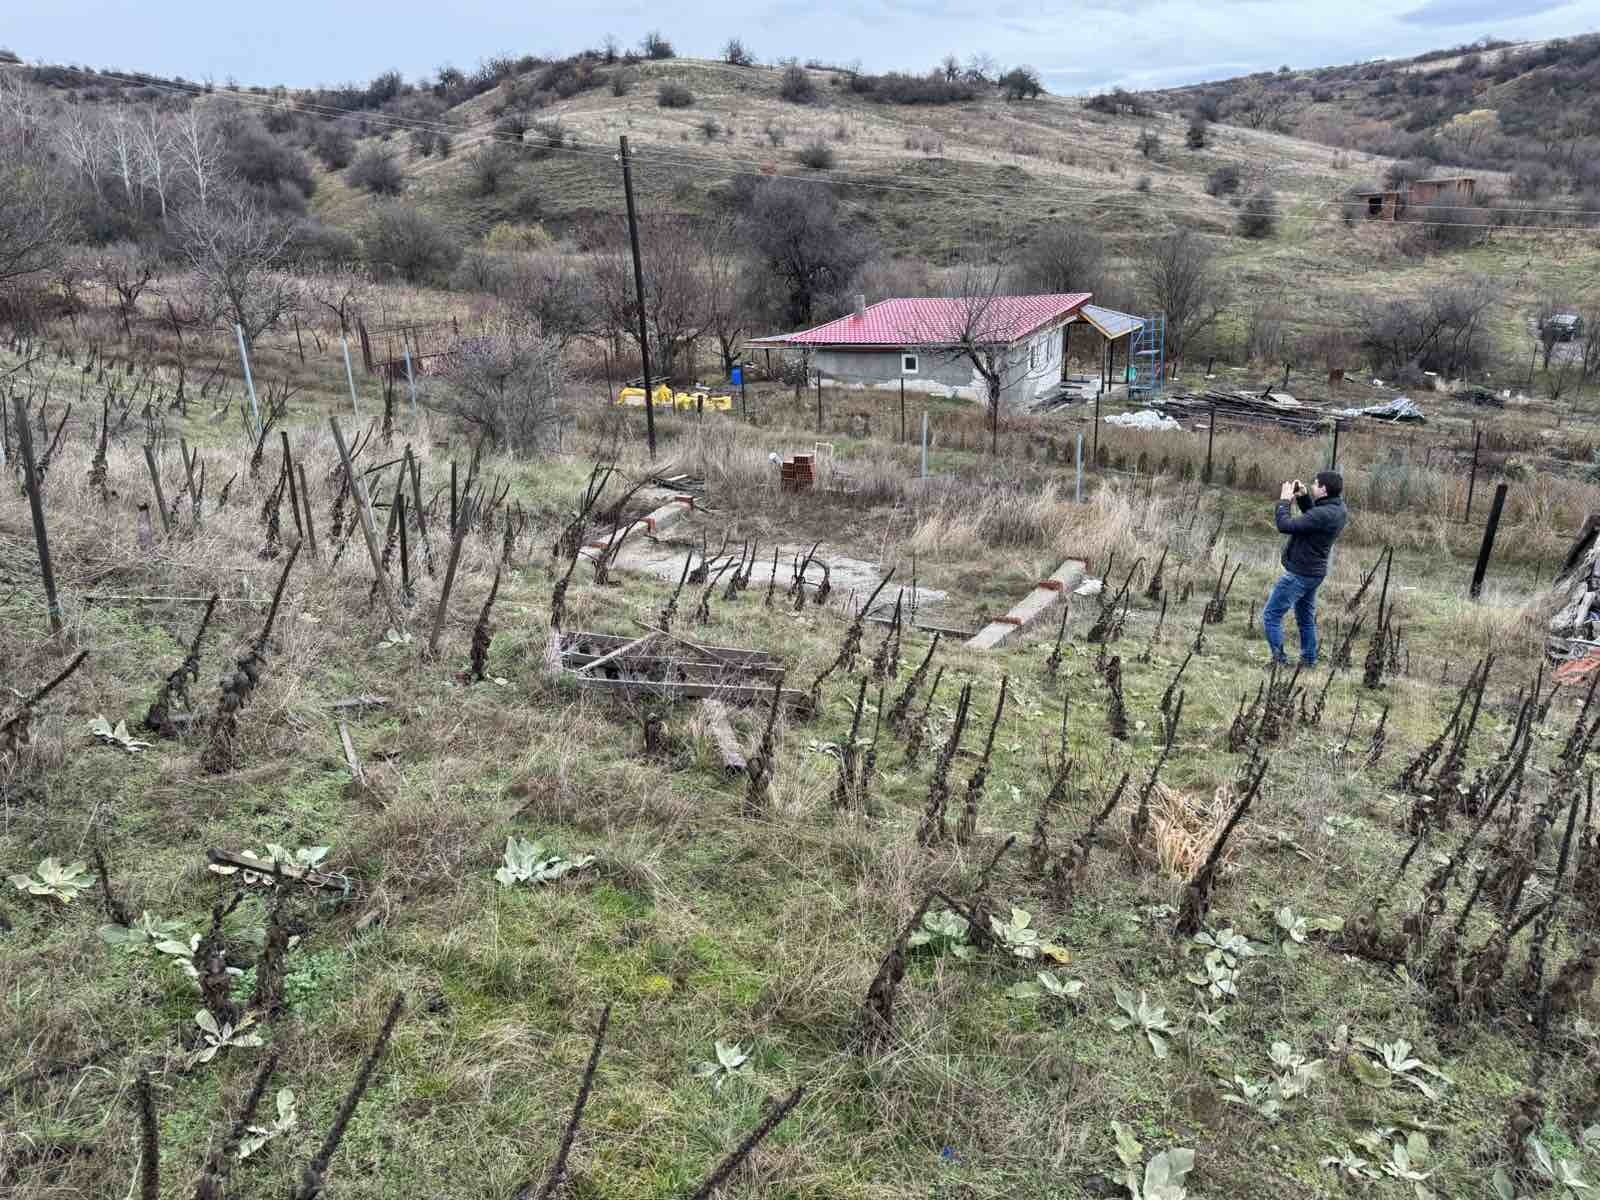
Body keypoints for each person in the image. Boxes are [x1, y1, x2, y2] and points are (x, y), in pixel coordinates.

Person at [1262, 471, 1348, 668]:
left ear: (1324, 489)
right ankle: (1309, 661)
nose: (1312, 485)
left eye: (1315, 484)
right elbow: (1313, 519)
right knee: (1305, 620)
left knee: (1271, 615)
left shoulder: (1323, 513)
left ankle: (1279, 661)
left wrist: (1284, 501)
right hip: (1314, 573)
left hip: (1300, 574)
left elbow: (1285, 525)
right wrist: (1303, 497)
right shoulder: (1338, 509)